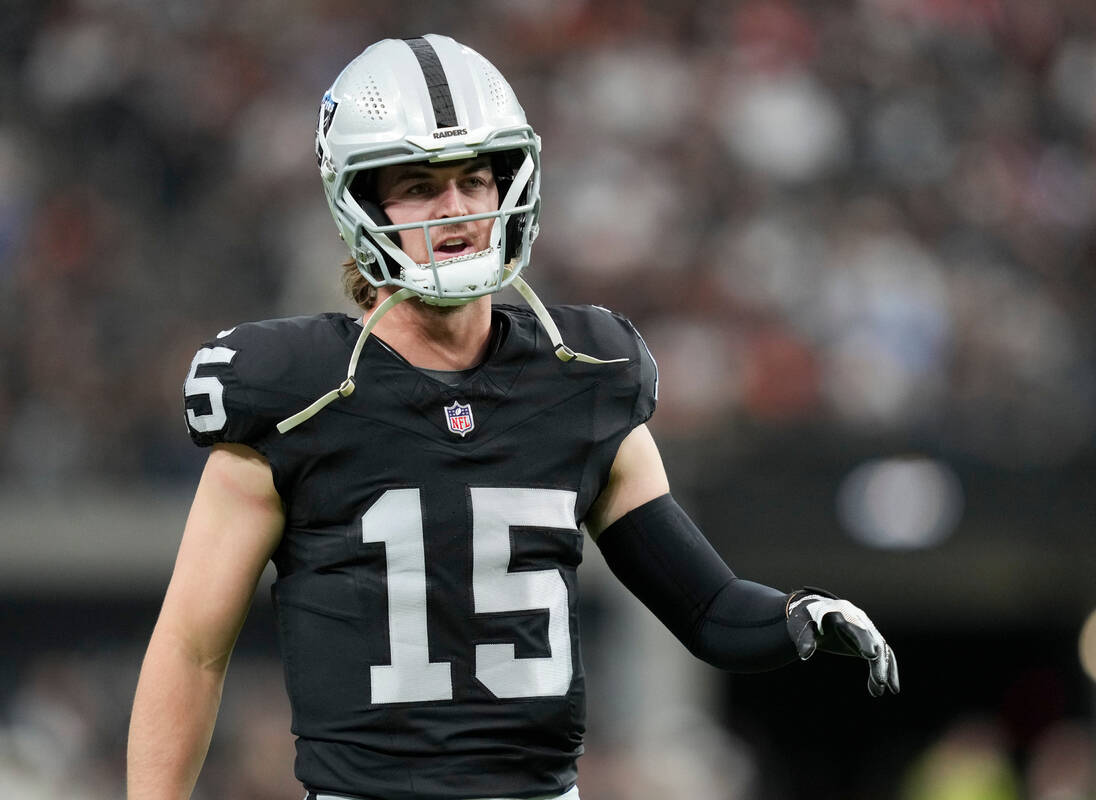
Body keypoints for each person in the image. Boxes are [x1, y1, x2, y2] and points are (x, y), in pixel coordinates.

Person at [126, 34, 899, 800]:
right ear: (360, 202)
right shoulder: (295, 393)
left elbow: (707, 607)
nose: (456, 209)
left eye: (474, 179)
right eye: (421, 186)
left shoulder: (584, 376)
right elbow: (192, 650)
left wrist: (798, 614)